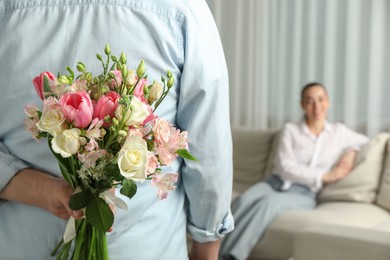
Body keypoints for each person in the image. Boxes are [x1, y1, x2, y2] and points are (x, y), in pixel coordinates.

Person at [0, 0, 234, 259]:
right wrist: (206, 244)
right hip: (149, 249)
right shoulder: (184, 8)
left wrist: (39, 187)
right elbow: (209, 150)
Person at [219, 82, 369, 260]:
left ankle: (231, 256)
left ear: (327, 102)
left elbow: (367, 142)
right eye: (309, 101)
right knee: (243, 201)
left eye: (320, 100)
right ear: (302, 105)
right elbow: (285, 168)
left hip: (304, 193)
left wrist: (351, 152)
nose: (316, 106)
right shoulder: (290, 130)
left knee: (268, 203)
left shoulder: (340, 133)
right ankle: (211, 252)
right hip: (274, 182)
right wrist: (325, 176)